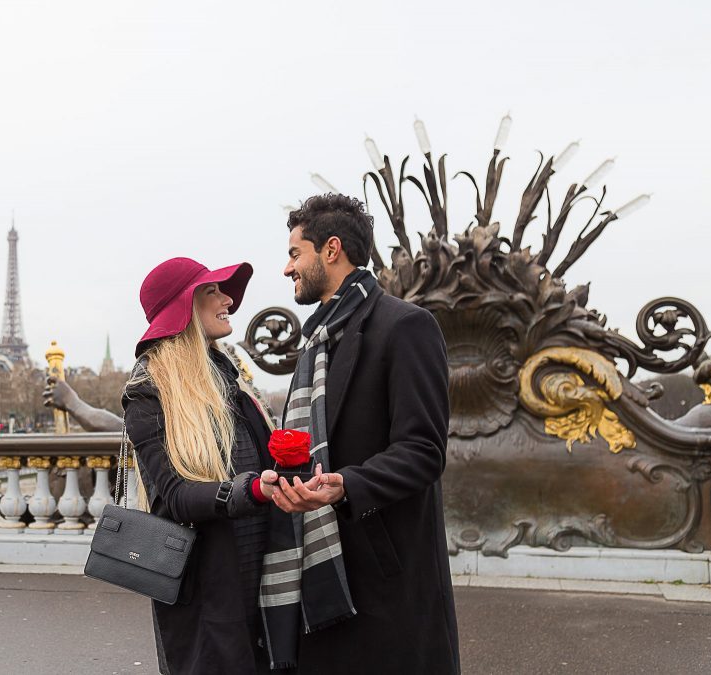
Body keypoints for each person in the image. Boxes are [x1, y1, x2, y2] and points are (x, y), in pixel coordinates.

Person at [259, 194, 460, 674]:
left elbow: (424, 451)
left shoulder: (406, 326)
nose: (287, 269)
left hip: (383, 575)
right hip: (321, 565)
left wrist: (346, 484)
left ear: (331, 250)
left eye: (294, 254)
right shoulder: (316, 339)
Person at [122, 257, 278, 675]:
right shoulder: (148, 393)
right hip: (207, 588)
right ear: (183, 308)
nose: (228, 298)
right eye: (212, 291)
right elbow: (174, 496)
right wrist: (252, 491)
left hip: (265, 577)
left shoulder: (232, 382)